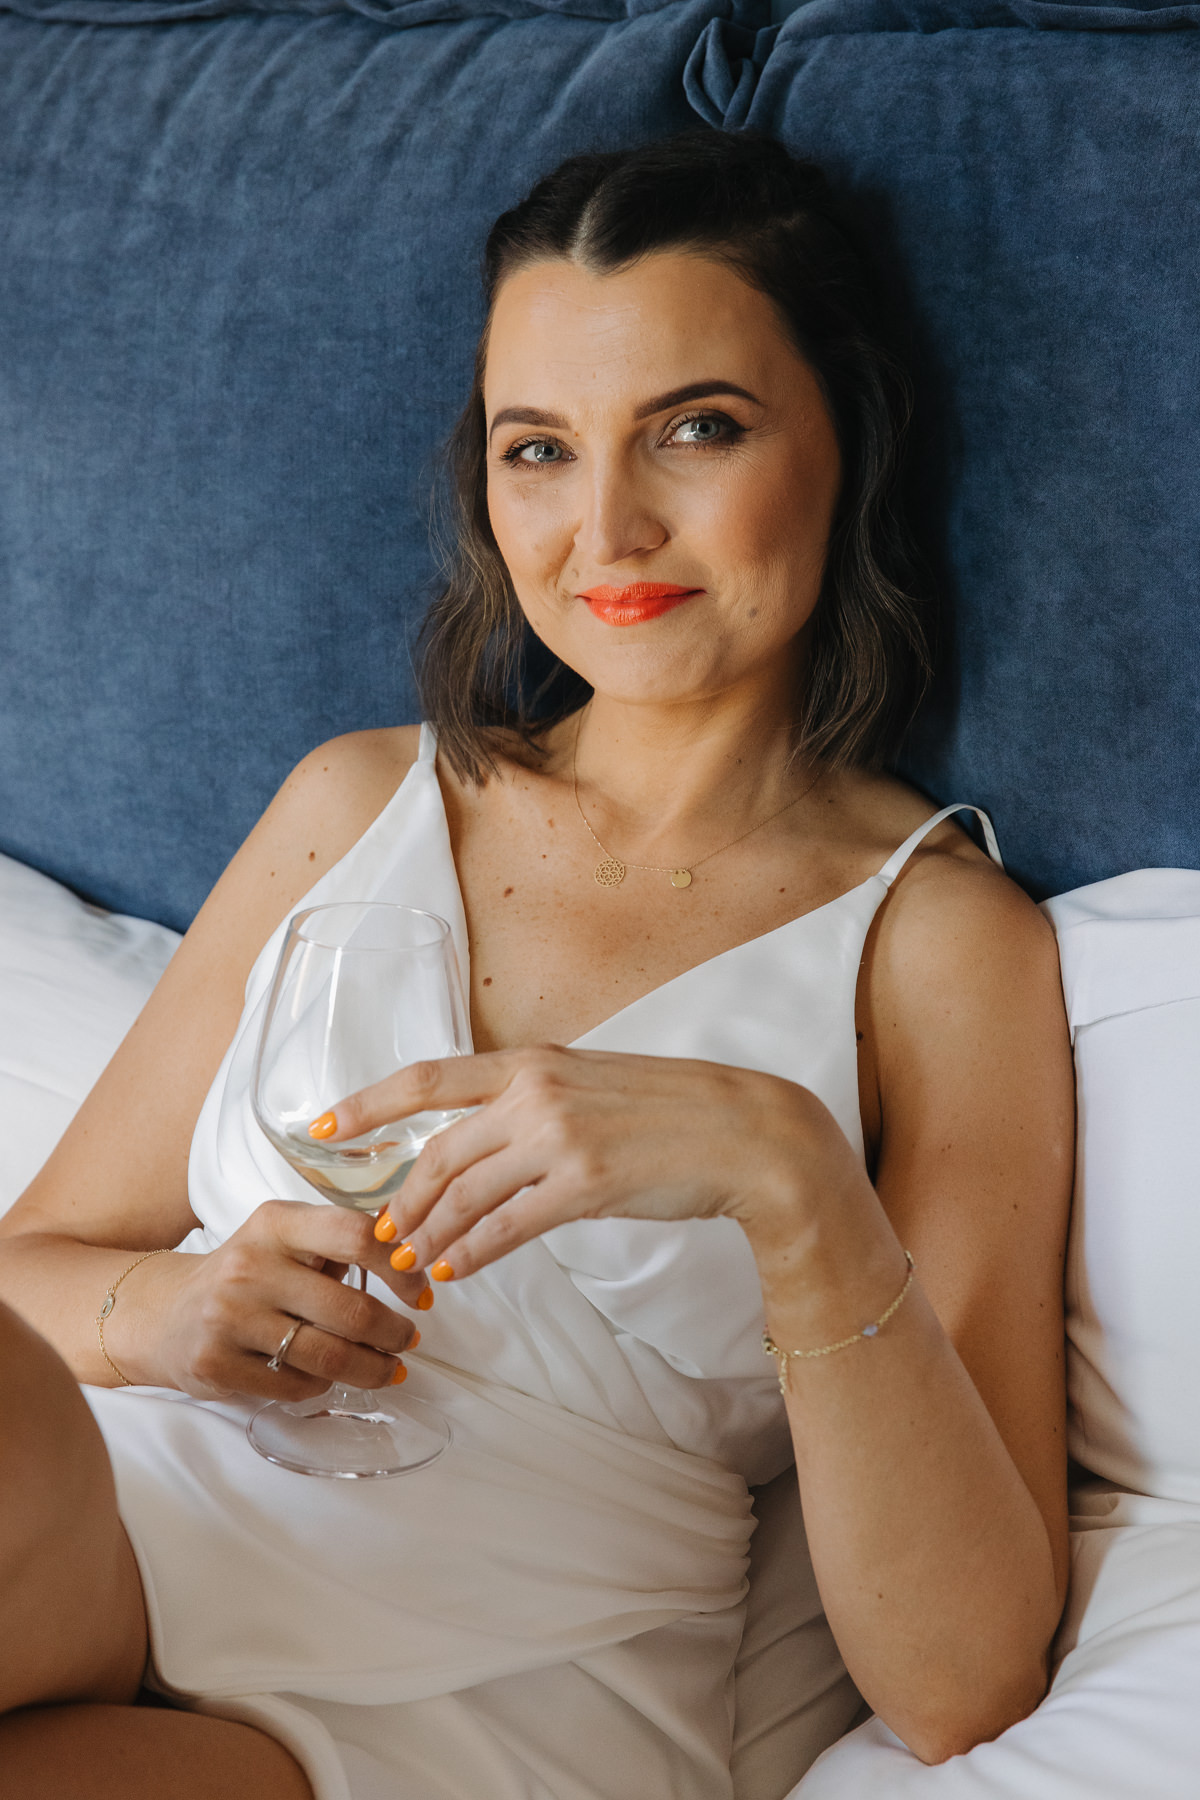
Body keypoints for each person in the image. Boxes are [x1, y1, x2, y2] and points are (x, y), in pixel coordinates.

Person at [0, 131, 1073, 1800]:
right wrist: (171, 1312)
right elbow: (34, 1269)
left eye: (697, 429)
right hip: (132, 1505)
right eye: (540, 451)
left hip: (486, 1673)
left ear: (847, 438)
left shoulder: (938, 943)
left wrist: (789, 1179)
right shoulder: (357, 801)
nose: (607, 528)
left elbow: (962, 1681)